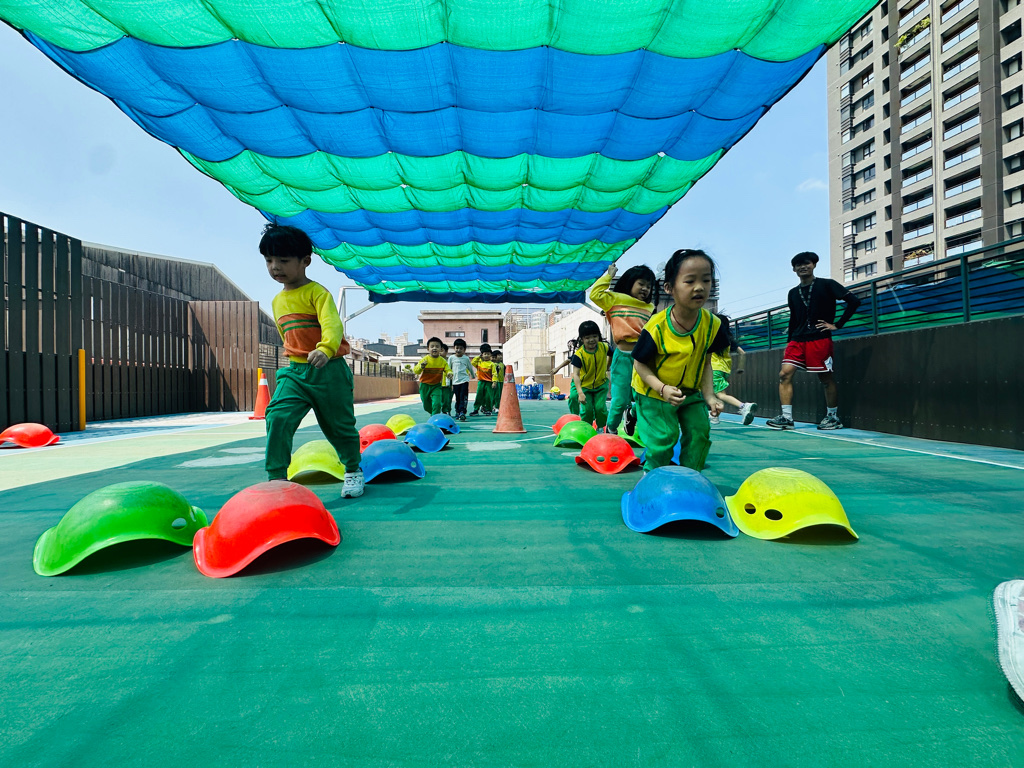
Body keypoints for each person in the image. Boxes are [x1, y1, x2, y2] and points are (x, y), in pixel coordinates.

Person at [260, 224, 363, 498]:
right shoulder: (277, 301)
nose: (275, 267)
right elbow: (287, 336)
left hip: (329, 371)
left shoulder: (318, 293)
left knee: (339, 427)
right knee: (277, 416)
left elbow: (332, 325)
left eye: (283, 260)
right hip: (295, 372)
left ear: (305, 261)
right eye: (269, 260)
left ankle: (353, 469)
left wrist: (326, 349)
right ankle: (276, 477)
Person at [631, 249, 727, 472]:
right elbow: (639, 364)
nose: (699, 287)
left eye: (706, 280)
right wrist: (662, 388)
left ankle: (691, 477)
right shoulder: (656, 327)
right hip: (654, 392)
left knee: (699, 432)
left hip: (690, 392)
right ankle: (653, 479)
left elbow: (706, 362)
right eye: (690, 281)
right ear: (669, 288)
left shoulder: (712, 325)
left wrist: (709, 396)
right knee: (664, 438)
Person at [766, 252, 862, 431]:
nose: (803, 267)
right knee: (784, 374)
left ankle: (833, 417)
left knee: (825, 378)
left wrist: (837, 325)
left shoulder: (827, 284)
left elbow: (854, 301)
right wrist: (789, 342)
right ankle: (787, 418)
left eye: (807, 263)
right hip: (797, 339)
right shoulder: (793, 293)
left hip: (819, 338)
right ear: (794, 269)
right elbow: (794, 319)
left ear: (814, 265)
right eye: (798, 265)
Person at [589, 263, 656, 433]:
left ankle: (632, 414)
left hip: (643, 357)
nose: (645, 289)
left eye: (649, 286)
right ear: (630, 282)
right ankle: (611, 429)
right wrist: (609, 275)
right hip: (623, 357)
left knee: (645, 397)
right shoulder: (615, 299)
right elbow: (595, 294)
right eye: (641, 284)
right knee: (619, 400)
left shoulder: (650, 308)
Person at [709, 314, 757, 426]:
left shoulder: (711, 337)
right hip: (725, 369)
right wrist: (740, 367)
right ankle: (714, 415)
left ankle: (743, 406)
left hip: (714, 369)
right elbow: (742, 353)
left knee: (720, 394)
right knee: (716, 393)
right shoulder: (728, 340)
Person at [571, 320, 612, 430]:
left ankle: (602, 428)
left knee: (600, 409)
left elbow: (612, 354)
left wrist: (607, 367)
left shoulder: (604, 347)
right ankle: (587, 429)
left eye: (594, 336)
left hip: (601, 385)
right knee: (587, 410)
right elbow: (576, 375)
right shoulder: (579, 355)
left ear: (599, 336)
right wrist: (580, 393)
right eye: (587, 337)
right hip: (585, 387)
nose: (591, 340)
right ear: (582, 339)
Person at [413, 337, 452, 416]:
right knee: (426, 405)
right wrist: (421, 367)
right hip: (425, 385)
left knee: (437, 403)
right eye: (432, 346)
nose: (434, 348)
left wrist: (449, 373)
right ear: (428, 349)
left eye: (437, 346)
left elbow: (448, 369)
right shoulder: (425, 360)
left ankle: (434, 417)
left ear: (441, 349)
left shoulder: (442, 361)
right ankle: (433, 413)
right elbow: (416, 371)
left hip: (436, 386)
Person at [447, 338, 474, 421]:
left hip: (464, 381)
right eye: (457, 348)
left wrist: (473, 375)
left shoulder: (466, 358)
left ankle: (462, 412)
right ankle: (457, 411)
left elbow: (470, 367)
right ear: (454, 348)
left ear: (464, 350)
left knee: (463, 397)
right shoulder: (451, 358)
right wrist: (448, 382)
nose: (458, 350)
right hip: (455, 382)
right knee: (458, 398)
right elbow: (448, 370)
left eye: (461, 348)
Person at [552, 342, 581, 415]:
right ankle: (575, 415)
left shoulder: (597, 352)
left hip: (590, 380)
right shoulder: (578, 353)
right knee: (573, 397)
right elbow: (568, 360)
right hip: (577, 379)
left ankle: (593, 418)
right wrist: (557, 368)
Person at [470, 343, 496, 416]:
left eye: (488, 354)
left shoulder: (492, 364)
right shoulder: (479, 363)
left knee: (488, 397)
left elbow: (494, 373)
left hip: (489, 383)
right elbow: (473, 362)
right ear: (482, 355)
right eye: (485, 354)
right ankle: (476, 409)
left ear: (491, 355)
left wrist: (494, 382)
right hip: (481, 382)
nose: (486, 355)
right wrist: (479, 357)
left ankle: (488, 410)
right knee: (479, 396)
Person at [439, 342, 453, 415]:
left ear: (446, 351)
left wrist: (452, 383)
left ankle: (447, 411)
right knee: (438, 399)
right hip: (437, 384)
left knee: (447, 400)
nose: (440, 352)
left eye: (442, 350)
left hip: (447, 385)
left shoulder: (449, 361)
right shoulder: (436, 361)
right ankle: (437, 413)